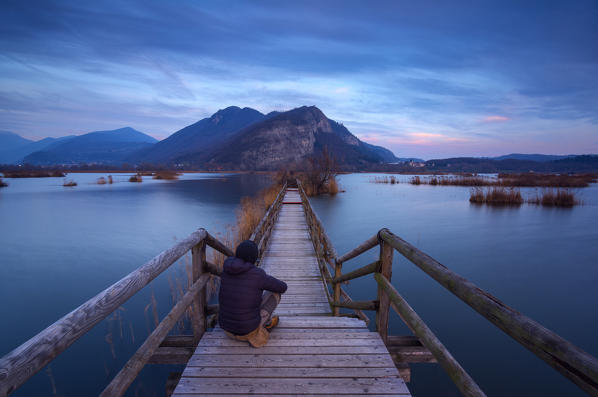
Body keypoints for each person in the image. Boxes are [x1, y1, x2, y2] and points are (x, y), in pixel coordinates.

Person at [218, 240, 288, 347]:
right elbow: (282, 287)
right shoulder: (257, 274)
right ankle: (266, 323)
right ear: (254, 257)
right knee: (275, 294)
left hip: (226, 330)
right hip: (247, 331)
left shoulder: (226, 269)